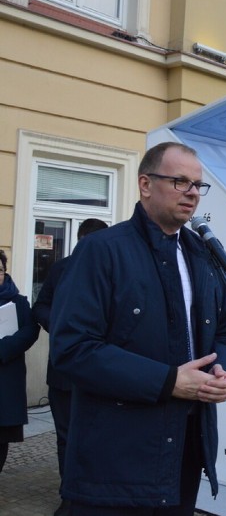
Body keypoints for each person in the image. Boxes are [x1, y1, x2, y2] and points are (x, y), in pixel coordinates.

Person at [50, 142, 226, 515]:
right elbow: (72, 349)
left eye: (197, 185)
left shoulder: (203, 255)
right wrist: (167, 380)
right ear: (145, 184)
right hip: (116, 460)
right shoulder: (102, 251)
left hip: (186, 449)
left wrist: (221, 369)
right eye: (179, 181)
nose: (191, 193)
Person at [32, 218, 108, 516]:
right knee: (66, 437)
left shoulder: (114, 269)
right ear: (79, 240)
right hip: (64, 373)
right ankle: (70, 495)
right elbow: (41, 306)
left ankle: (97, 494)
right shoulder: (60, 269)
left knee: (99, 437)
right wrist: (62, 327)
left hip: (101, 373)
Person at [0, 249, 40, 474]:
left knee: (0, 438)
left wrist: (4, 347)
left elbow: (30, 331)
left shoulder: (19, 302)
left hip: (6, 379)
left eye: (0, 270)